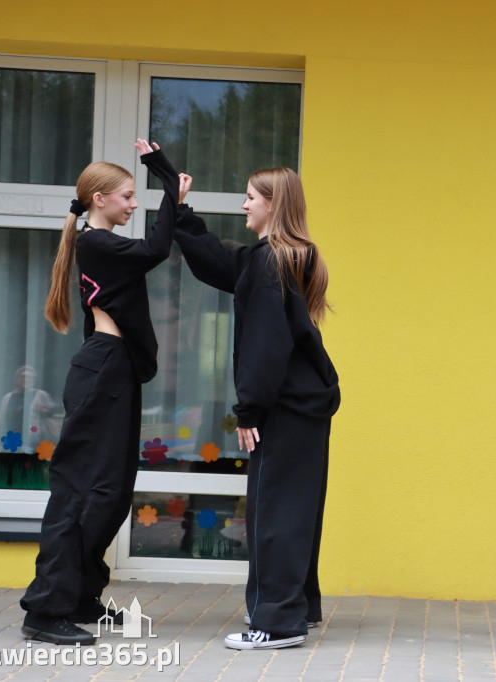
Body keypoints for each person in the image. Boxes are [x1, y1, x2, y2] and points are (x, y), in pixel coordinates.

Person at [20, 140, 184, 646]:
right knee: (80, 491)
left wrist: (162, 178)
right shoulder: (97, 242)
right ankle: (46, 611)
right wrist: (167, 182)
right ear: (98, 199)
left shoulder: (101, 243)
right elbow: (157, 248)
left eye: (137, 197)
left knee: (110, 493)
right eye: (128, 197)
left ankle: (82, 595)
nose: (133, 205)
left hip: (114, 372)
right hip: (104, 372)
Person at [175, 167, 340, 650]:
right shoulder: (276, 258)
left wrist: (248, 410)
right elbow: (217, 264)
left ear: (273, 203)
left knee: (275, 512)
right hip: (303, 406)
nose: (243, 205)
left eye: (250, 197)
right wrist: (181, 212)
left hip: (285, 408)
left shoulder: (273, 262)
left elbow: (266, 344)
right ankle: (298, 608)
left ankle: (277, 623)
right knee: (295, 509)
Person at [0, 365, 57, 448]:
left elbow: (51, 413)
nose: (26, 379)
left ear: (33, 380)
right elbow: (2, 420)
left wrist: (42, 409)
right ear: (17, 379)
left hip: (35, 442)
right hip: (12, 440)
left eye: (30, 377)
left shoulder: (40, 394)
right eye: (23, 377)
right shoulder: (8, 397)